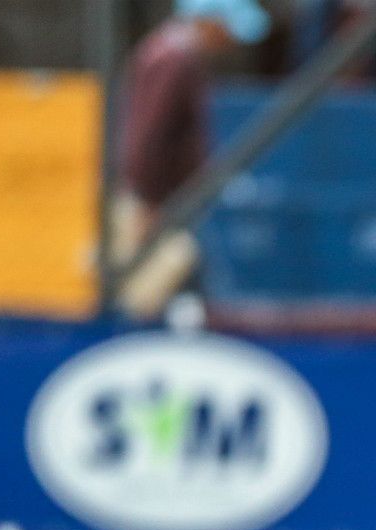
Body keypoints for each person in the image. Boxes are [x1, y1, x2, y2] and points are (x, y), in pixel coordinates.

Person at [113, 0, 268, 320]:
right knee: (156, 292)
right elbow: (149, 133)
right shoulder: (175, 60)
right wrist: (147, 202)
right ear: (209, 21)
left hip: (165, 201)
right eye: (229, 29)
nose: (231, 42)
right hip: (160, 203)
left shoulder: (170, 54)